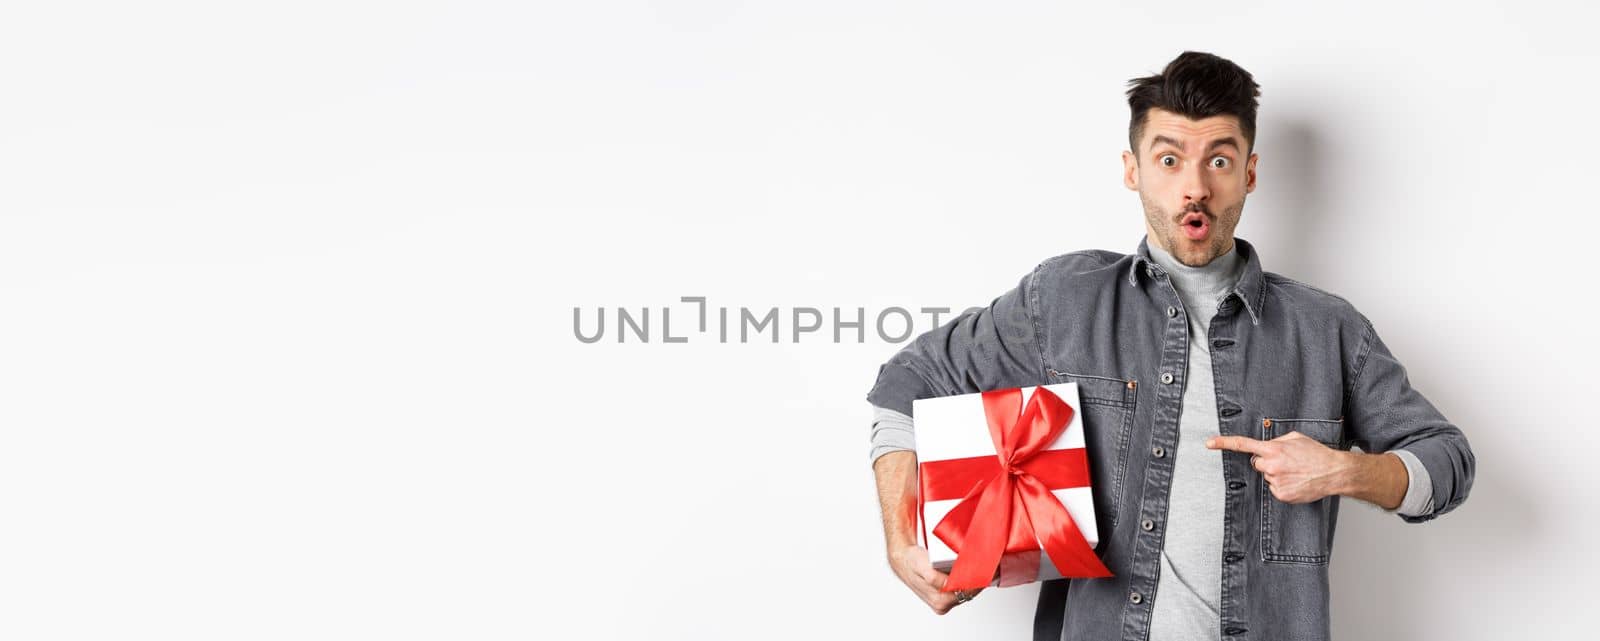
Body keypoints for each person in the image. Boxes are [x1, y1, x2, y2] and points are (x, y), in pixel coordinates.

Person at [865, 51, 1474, 641]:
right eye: (1169, 159)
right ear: (1133, 170)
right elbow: (908, 382)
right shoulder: (1063, 301)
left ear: (1250, 173)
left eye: (1218, 161)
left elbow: (1448, 463)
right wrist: (901, 540)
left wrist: (1343, 469)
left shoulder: (1327, 329)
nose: (1194, 188)